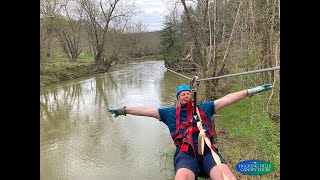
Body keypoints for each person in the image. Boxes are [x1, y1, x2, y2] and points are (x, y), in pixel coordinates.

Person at [107, 83, 272, 180]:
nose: (186, 96)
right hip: (186, 155)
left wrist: (251, 91)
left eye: (188, 94)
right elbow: (146, 110)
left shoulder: (206, 108)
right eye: (182, 95)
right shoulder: (169, 113)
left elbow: (227, 99)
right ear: (178, 99)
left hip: (208, 153)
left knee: (226, 177)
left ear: (193, 97)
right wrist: (124, 109)